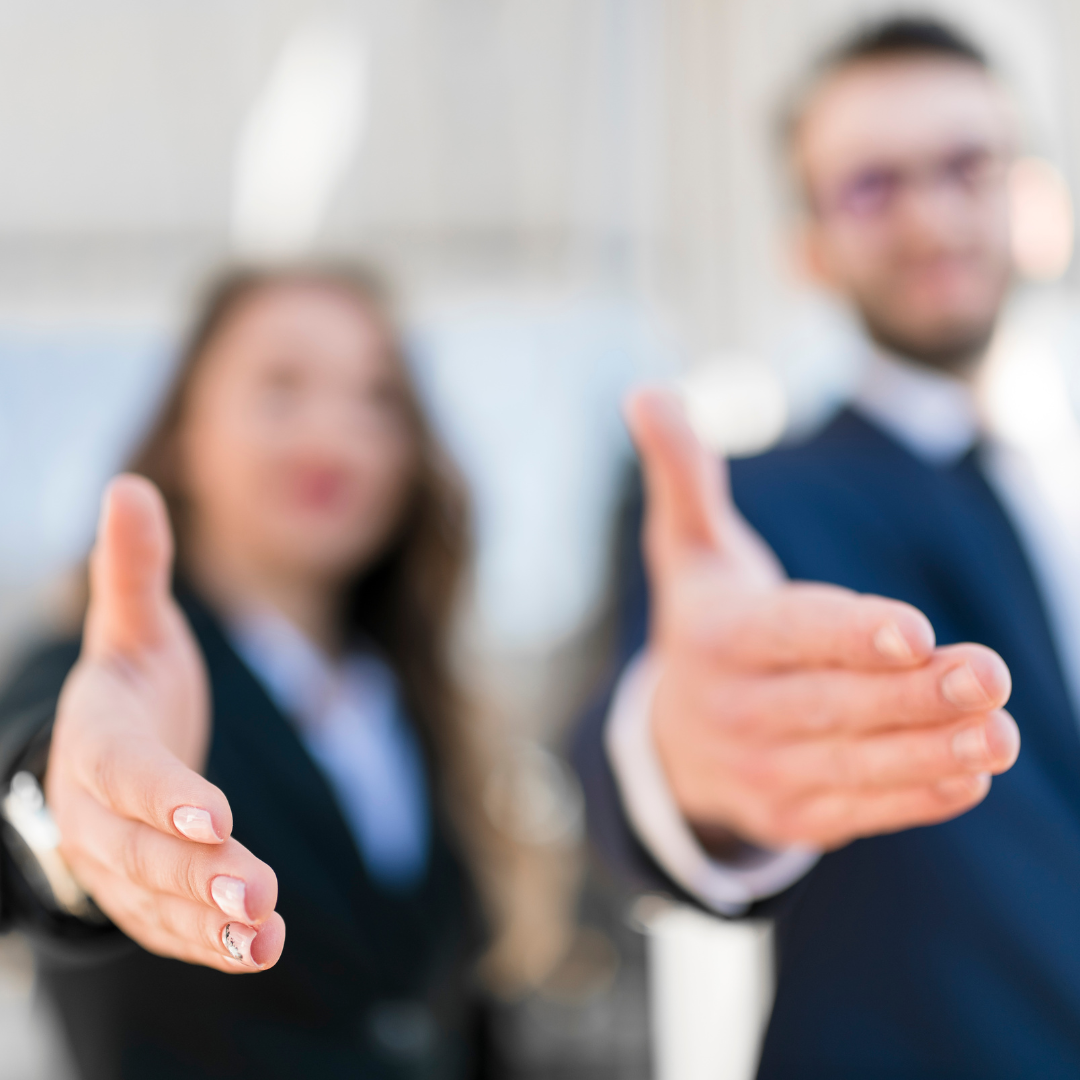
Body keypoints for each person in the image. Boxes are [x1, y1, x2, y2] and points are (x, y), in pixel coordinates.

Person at [577, 15, 1080, 1079]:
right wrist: (685, 762)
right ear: (807, 247)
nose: (932, 216)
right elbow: (638, 746)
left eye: (964, 165)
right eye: (871, 186)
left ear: (1035, 202)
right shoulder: (751, 507)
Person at [0, 266, 492, 1078]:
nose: (335, 434)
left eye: (378, 399)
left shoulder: (411, 701)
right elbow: (45, 800)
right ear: (186, 438)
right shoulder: (103, 676)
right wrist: (72, 813)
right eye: (281, 387)